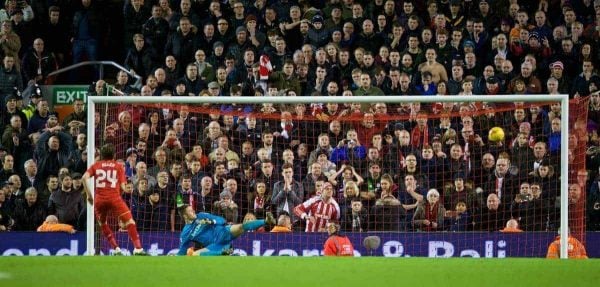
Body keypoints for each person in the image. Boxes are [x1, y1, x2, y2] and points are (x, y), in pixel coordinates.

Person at [82, 143, 147, 256]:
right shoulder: (118, 166)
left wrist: (89, 195)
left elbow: (84, 178)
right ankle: (138, 248)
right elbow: (123, 186)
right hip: (114, 198)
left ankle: (116, 249)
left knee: (102, 223)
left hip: (99, 200)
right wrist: (126, 190)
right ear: (114, 154)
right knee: (129, 221)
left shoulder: (96, 165)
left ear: (101, 154)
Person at [177, 204, 275, 256]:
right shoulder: (185, 233)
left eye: (192, 209)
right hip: (215, 244)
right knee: (195, 255)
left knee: (241, 226)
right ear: (185, 216)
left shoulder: (201, 215)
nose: (193, 211)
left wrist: (211, 222)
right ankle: (225, 252)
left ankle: (266, 220)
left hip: (223, 232)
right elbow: (182, 251)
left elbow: (222, 220)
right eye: (190, 211)